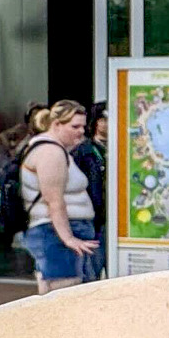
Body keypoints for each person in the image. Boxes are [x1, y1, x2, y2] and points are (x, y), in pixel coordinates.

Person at [20, 100, 98, 294]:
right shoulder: (50, 152)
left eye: (83, 126)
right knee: (65, 293)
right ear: (56, 125)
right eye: (75, 127)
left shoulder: (56, 149)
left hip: (57, 232)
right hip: (54, 232)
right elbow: (54, 201)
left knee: (59, 292)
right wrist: (68, 238)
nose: (81, 131)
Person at [72, 101, 109, 281]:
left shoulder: (124, 149)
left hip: (118, 221)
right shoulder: (84, 151)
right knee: (91, 272)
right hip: (95, 220)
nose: (108, 124)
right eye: (104, 119)